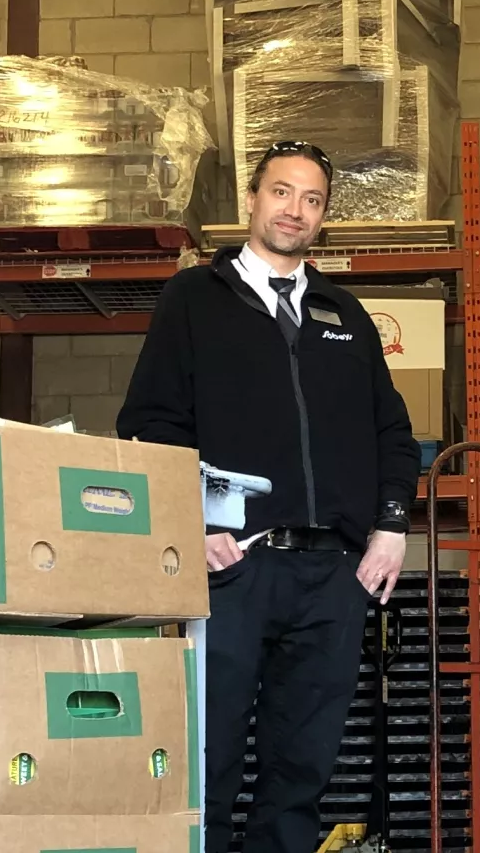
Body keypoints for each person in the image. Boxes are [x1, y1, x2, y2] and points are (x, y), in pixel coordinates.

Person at [117, 140, 421, 853]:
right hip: (233, 567)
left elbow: (393, 433)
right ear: (251, 201)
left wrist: (390, 526)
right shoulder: (194, 298)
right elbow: (150, 423)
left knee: (301, 772)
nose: (296, 210)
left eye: (312, 200)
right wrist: (189, 520)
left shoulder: (343, 312)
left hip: (333, 579)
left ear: (324, 218)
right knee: (208, 758)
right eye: (282, 193)